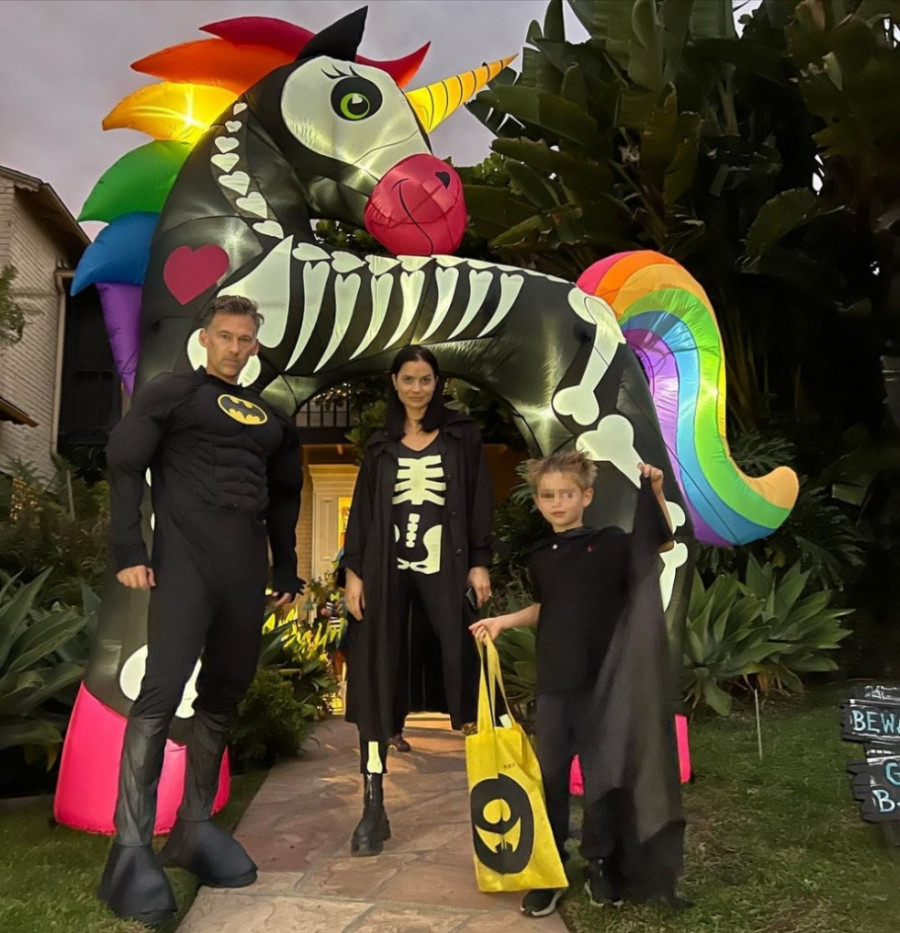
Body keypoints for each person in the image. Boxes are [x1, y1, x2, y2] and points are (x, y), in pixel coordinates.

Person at [98, 295, 303, 926]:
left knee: (225, 693)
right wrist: (129, 550)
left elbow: (285, 498)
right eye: (226, 336)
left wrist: (287, 569)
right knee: (160, 694)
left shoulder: (271, 415)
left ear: (255, 345)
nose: (236, 349)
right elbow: (124, 464)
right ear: (205, 338)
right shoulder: (172, 393)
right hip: (185, 565)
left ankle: (194, 827)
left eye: (246, 339)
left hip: (244, 574)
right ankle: (131, 846)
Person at [470, 450, 687, 918]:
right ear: (538, 501)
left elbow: (661, 541)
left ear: (586, 497)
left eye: (566, 494)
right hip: (554, 685)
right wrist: (504, 621)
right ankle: (550, 870)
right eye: (547, 495)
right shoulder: (540, 556)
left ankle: (601, 863)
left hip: (604, 686)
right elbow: (549, 606)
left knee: (602, 779)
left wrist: (654, 491)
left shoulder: (609, 544)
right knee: (549, 779)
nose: (557, 503)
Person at [341, 345, 493, 856]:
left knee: (468, 666)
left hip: (446, 568)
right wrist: (354, 572)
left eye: (425, 379)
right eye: (408, 379)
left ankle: (497, 793)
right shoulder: (381, 445)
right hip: (385, 571)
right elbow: (362, 511)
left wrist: (479, 560)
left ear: (437, 383)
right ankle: (373, 803)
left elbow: (478, 498)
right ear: (395, 382)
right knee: (376, 674)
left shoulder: (461, 436)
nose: (417, 388)